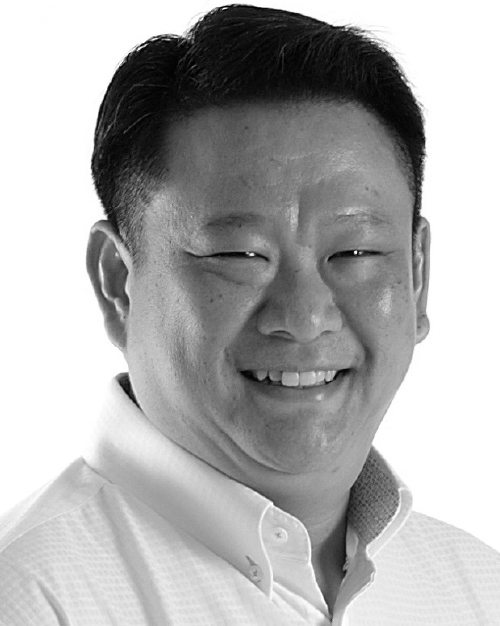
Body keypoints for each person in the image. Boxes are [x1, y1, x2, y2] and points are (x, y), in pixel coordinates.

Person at [1, 4, 499, 625]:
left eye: (355, 252)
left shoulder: (479, 589)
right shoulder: (32, 597)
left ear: (418, 278)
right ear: (117, 283)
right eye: (240, 255)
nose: (304, 317)